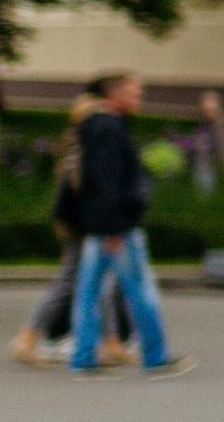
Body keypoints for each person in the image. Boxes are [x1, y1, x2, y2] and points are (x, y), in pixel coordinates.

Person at [65, 72, 191, 379]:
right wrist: (113, 227)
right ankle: (156, 357)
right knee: (140, 290)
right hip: (117, 227)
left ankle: (82, 358)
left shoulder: (95, 127)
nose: (139, 97)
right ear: (113, 94)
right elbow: (107, 183)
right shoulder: (109, 129)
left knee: (88, 292)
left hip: (100, 226)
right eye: (134, 91)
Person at [10, 87, 133, 367]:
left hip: (81, 224)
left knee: (100, 282)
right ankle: (28, 337)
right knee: (70, 283)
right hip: (84, 226)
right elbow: (81, 190)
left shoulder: (79, 145)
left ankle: (110, 342)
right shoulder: (82, 148)